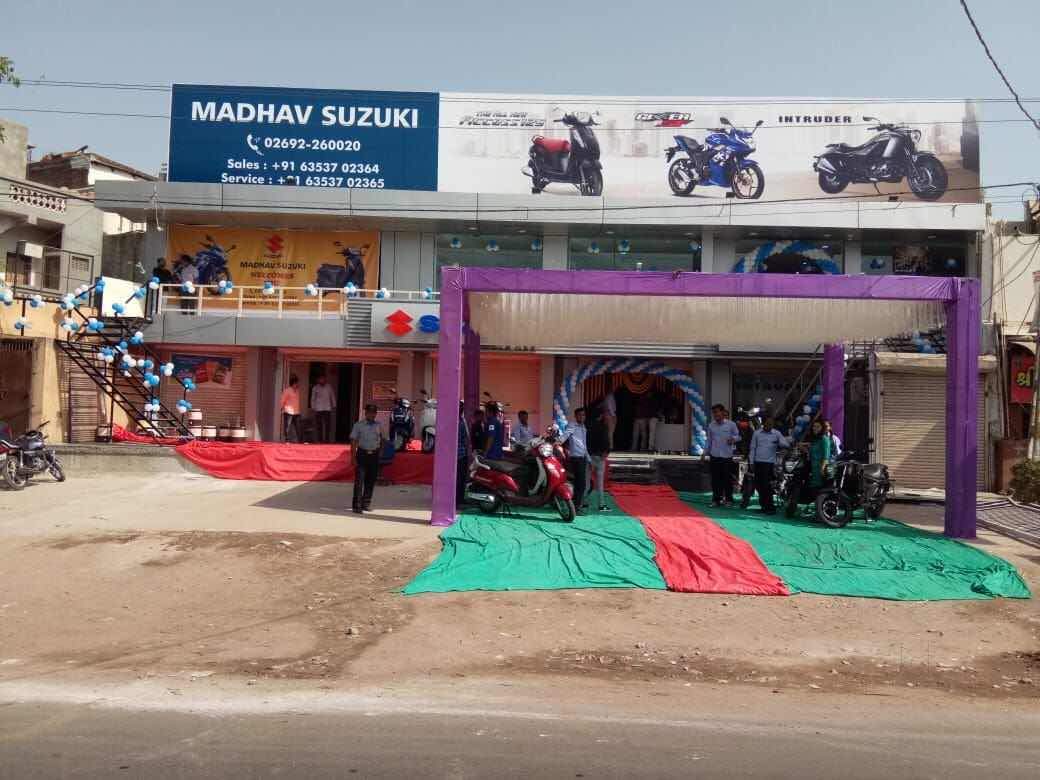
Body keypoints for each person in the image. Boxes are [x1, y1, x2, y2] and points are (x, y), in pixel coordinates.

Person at [748, 416, 788, 514]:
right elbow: (752, 448)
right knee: (758, 485)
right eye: (767, 423)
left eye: (771, 424)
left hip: (769, 464)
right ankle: (763, 506)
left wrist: (779, 443)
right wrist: (751, 462)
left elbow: (786, 444)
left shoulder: (777, 434)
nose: (769, 425)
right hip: (757, 462)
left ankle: (770, 508)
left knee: (767, 486)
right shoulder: (757, 433)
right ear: (763, 423)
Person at [350, 403, 386, 514]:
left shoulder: (379, 425)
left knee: (371, 480)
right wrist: (353, 457)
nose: (371, 415)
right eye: (369, 413)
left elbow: (383, 439)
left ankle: (366, 503)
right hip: (362, 454)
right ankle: (357, 505)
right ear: (365, 413)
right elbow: (353, 441)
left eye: (374, 413)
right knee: (359, 481)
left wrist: (381, 452)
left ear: (376, 414)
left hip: (374, 455)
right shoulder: (358, 425)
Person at [704, 404, 740, 507]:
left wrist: (733, 439)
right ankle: (716, 500)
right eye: (714, 413)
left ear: (723, 412)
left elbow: (738, 436)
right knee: (715, 479)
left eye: (717, 412)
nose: (715, 414)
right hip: (714, 455)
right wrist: (704, 453)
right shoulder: (711, 425)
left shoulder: (731, 424)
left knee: (727, 479)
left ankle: (729, 500)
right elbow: (709, 440)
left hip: (727, 456)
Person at [562, 407, 589, 513]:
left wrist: (588, 458)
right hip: (576, 458)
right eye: (580, 415)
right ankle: (576, 507)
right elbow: (565, 435)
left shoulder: (584, 427)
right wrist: (557, 441)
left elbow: (584, 444)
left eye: (583, 415)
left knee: (580, 484)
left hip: (583, 457)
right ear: (575, 416)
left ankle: (576, 504)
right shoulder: (572, 425)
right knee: (580, 484)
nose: (582, 417)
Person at [587, 403, 611, 512]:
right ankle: (601, 504)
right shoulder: (603, 426)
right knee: (600, 482)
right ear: (601, 415)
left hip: (590, 456)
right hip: (600, 457)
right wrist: (606, 452)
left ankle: (583, 503)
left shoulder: (588, 426)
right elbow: (606, 441)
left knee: (587, 482)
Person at [310, 374, 336, 443]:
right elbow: (313, 398)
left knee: (327, 425)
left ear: (325, 379)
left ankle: (327, 439)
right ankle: (320, 440)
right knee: (319, 425)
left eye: (323, 379)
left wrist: (334, 405)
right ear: (318, 380)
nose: (322, 380)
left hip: (327, 408)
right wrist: (313, 407)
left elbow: (332, 396)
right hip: (318, 408)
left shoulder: (329, 387)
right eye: (320, 379)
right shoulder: (315, 388)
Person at [808, 419, 833, 489]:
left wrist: (822, 469)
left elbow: (826, 456)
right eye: (814, 426)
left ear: (822, 428)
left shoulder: (824, 439)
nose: (815, 428)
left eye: (818, 426)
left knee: (818, 489)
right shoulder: (815, 439)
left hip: (820, 469)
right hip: (813, 468)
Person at [279, 375, 301, 443]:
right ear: (294, 383)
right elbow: (282, 400)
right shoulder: (287, 390)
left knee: (298, 427)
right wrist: (281, 408)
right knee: (287, 426)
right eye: (297, 383)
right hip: (288, 411)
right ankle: (287, 440)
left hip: (296, 412)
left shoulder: (297, 391)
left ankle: (299, 440)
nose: (298, 384)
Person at [456, 401, 470, 508]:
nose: (461, 409)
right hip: (457, 455)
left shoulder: (462, 419)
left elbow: (466, 437)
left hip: (463, 453)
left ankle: (460, 499)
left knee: (462, 478)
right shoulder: (454, 420)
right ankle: (457, 501)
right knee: (458, 479)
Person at [601, 382, 617, 448]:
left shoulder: (606, 396)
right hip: (610, 415)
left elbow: (603, 406)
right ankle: (610, 446)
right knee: (610, 432)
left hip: (606, 414)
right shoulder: (610, 396)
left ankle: (607, 446)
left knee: (607, 431)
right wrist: (613, 416)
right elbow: (610, 407)